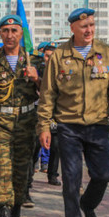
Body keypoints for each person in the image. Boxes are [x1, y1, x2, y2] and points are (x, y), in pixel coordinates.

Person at [37, 8, 109, 217]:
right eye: (84, 26)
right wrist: (44, 126)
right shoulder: (59, 56)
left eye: (92, 25)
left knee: (103, 175)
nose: (89, 30)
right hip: (69, 127)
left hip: (98, 126)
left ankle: (88, 205)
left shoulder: (106, 53)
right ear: (73, 29)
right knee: (71, 180)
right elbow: (47, 94)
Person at [0, 14, 42, 217]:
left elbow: (49, 93)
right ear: (0, 33)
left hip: (26, 123)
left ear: (21, 34)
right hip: (0, 123)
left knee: (21, 171)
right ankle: (3, 215)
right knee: (2, 169)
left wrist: (37, 79)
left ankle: (16, 210)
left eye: (14, 30)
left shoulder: (34, 61)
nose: (9, 35)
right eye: (5, 30)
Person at [40, 42, 62, 187]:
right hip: (36, 112)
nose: (49, 59)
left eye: (52, 56)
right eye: (47, 56)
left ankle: (52, 174)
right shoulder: (37, 69)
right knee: (35, 145)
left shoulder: (61, 72)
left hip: (54, 113)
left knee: (55, 145)